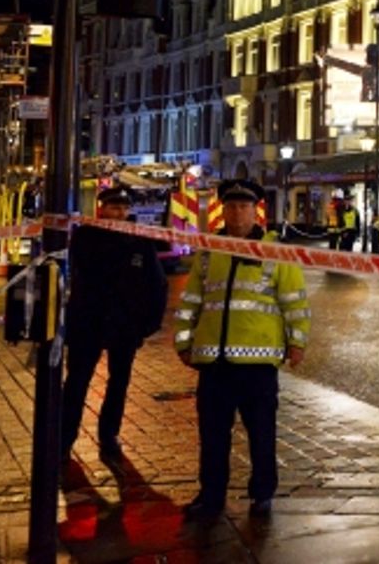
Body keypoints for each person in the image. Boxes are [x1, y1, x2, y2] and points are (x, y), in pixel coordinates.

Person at [176, 179, 310, 520]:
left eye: (244, 207)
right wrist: (184, 341)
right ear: (224, 209)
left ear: (256, 211)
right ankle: (211, 496)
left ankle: (263, 493)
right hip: (214, 361)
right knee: (212, 436)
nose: (237, 213)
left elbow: (294, 301)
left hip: (258, 361)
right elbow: (193, 297)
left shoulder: (275, 250)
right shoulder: (209, 249)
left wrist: (297, 342)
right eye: (232, 206)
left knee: (262, 433)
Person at [61, 185, 168, 465]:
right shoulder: (85, 236)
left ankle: (109, 436)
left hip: (125, 324)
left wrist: (148, 324)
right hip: (89, 322)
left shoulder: (140, 240)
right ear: (102, 209)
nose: (119, 213)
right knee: (76, 382)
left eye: (123, 208)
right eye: (113, 208)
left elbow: (156, 283)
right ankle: (64, 438)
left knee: (118, 383)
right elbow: (83, 277)